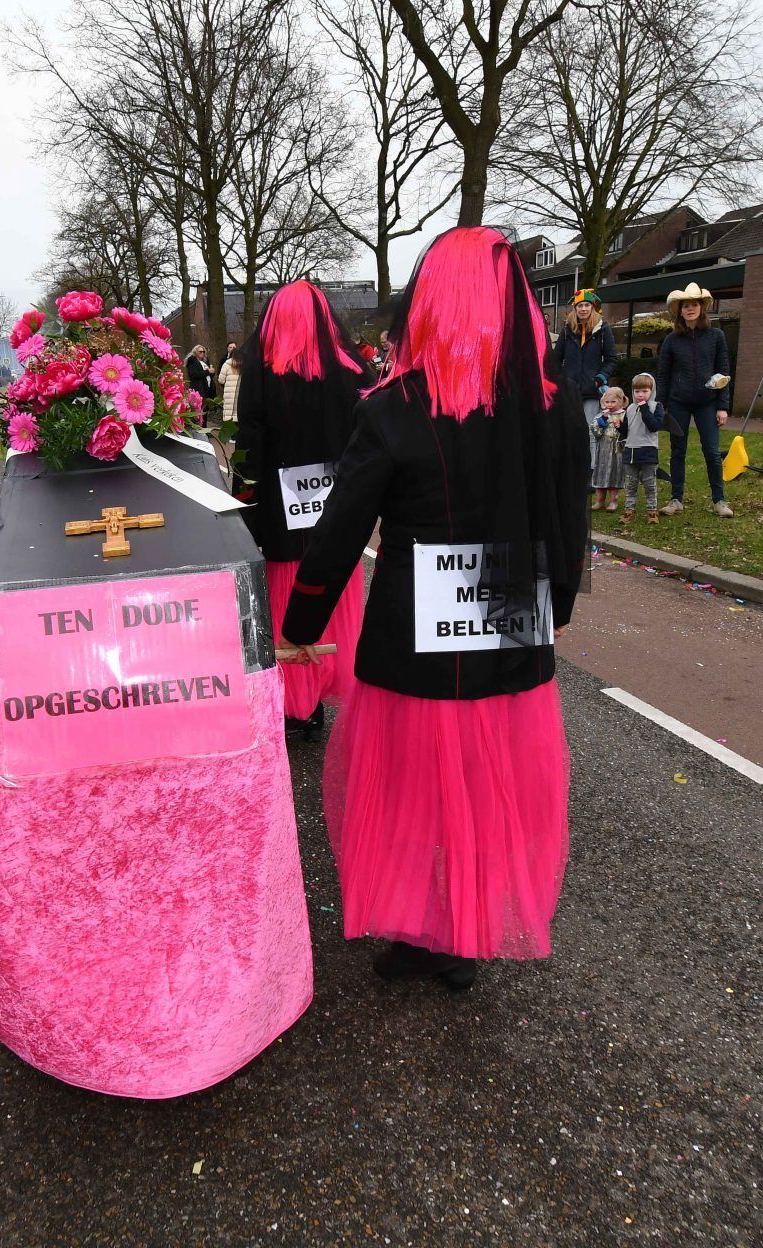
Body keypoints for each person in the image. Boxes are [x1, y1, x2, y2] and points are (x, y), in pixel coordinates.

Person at [276, 226, 588, 992]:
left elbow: (341, 529)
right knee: (488, 787)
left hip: (414, 635)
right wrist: (556, 604)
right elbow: (568, 515)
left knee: (412, 793)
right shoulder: (550, 405)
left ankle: (422, 926)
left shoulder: (395, 410)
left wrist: (302, 624)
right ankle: (465, 932)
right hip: (510, 616)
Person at [233, 280, 370, 735]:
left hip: (280, 514)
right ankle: (320, 693)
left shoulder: (262, 374)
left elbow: (249, 449)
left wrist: (244, 508)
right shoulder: (354, 372)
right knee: (333, 599)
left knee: (285, 602)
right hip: (339, 509)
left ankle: (296, 704)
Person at [655, 282, 734, 518]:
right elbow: (663, 374)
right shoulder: (671, 340)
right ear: (680, 310)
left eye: (694, 305)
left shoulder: (716, 336)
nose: (690, 309)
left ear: (702, 308)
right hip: (678, 402)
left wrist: (723, 406)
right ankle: (676, 499)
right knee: (678, 450)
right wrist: (661, 405)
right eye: (685, 306)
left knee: (712, 451)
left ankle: (719, 500)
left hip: (708, 402)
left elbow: (723, 371)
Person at [553, 288, 619, 417]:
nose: (583, 309)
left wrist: (599, 379)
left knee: (589, 427)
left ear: (592, 307)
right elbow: (555, 360)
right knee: (570, 427)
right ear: (575, 308)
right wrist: (562, 379)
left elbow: (611, 360)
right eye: (580, 305)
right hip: (570, 391)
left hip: (592, 392)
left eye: (587, 305)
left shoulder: (603, 329)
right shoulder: (567, 330)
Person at [620, 372, 665, 523]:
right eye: (637, 391)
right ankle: (629, 511)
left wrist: (645, 408)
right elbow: (626, 430)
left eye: (644, 391)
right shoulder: (630, 408)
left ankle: (652, 511)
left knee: (649, 483)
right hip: (630, 451)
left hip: (648, 451)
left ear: (652, 391)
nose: (640, 395)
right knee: (630, 484)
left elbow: (654, 426)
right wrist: (619, 426)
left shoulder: (656, 406)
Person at [588, 387, 627, 514]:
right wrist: (603, 420)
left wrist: (621, 427)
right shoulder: (600, 415)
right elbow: (595, 431)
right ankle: (599, 500)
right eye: (607, 402)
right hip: (602, 452)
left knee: (614, 475)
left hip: (617, 452)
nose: (609, 405)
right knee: (601, 474)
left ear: (621, 401)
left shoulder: (625, 415)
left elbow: (628, 431)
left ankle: (613, 501)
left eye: (613, 402)